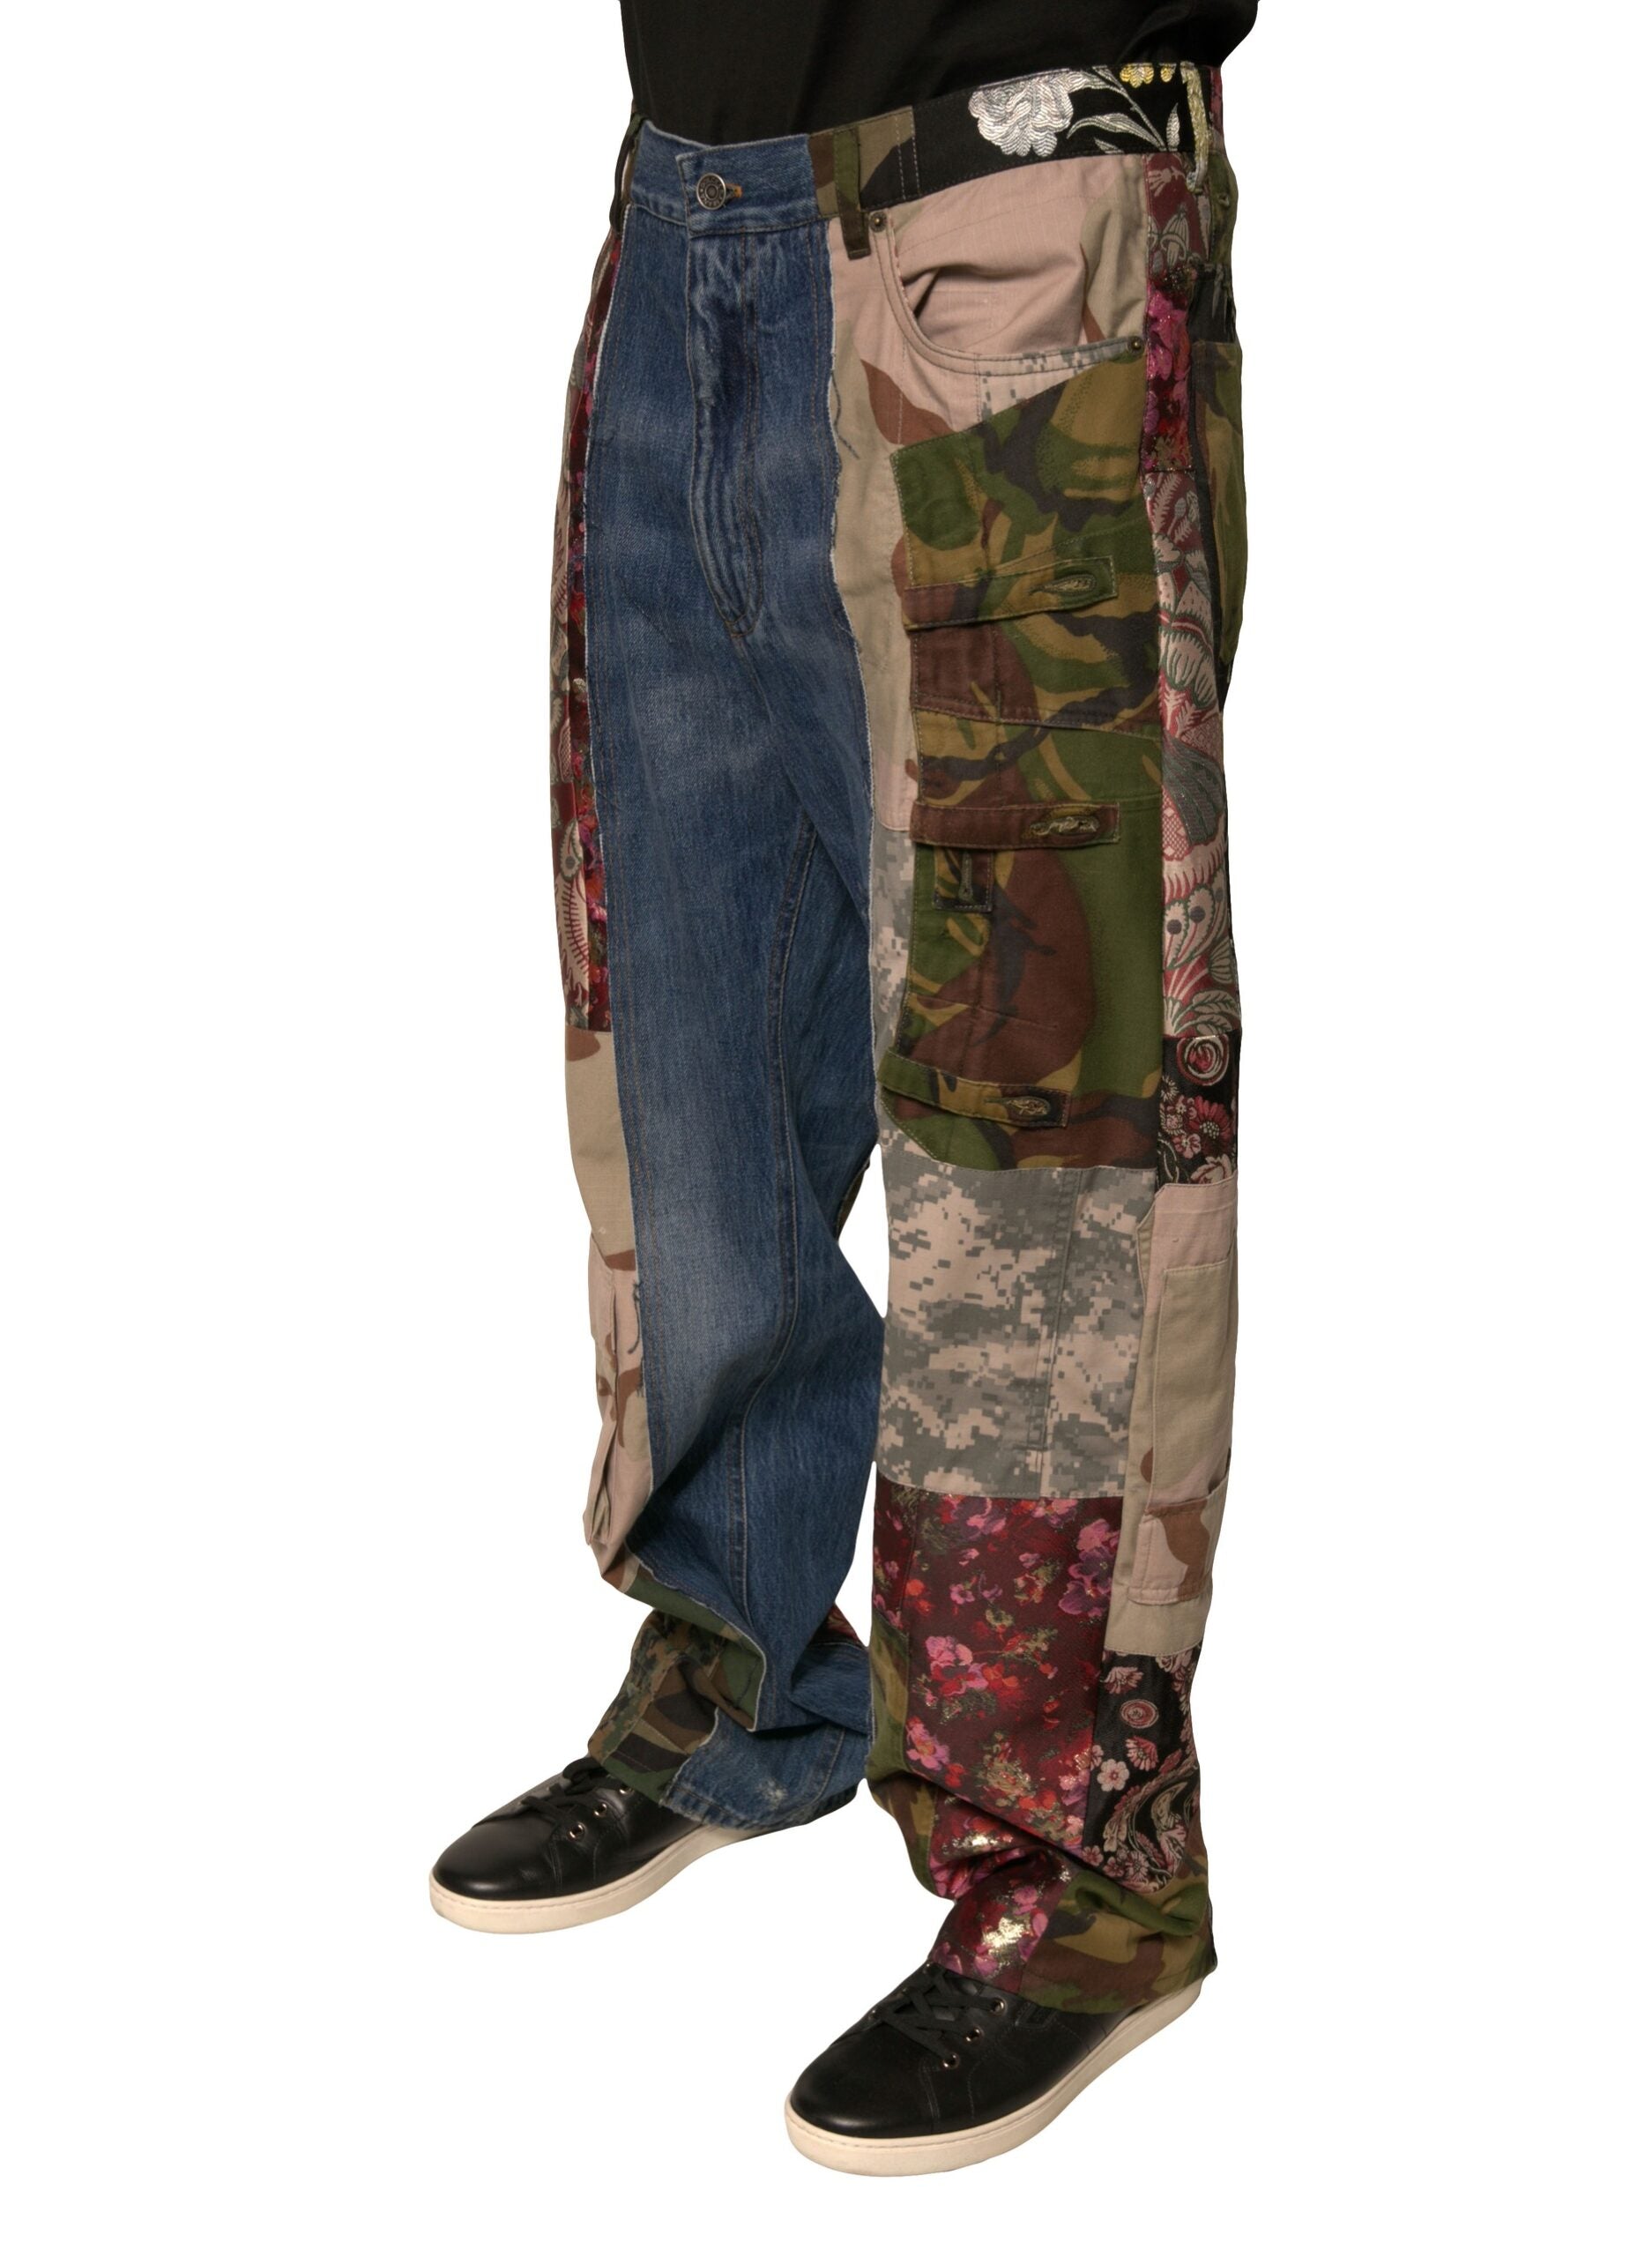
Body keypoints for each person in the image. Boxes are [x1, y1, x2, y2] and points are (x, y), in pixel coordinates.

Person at [430, 0, 1258, 2174]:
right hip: (690, 192)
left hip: (1008, 184)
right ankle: (741, 1657)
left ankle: (1076, 1863)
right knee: (684, 1003)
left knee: (1036, 1098)